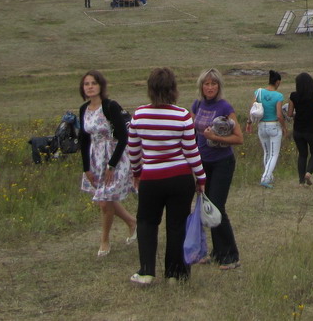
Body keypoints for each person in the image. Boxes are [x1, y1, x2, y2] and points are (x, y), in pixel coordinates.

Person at [128, 67, 206, 285]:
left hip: (151, 178)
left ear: (150, 89)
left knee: (146, 222)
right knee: (177, 225)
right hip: (180, 178)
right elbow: (191, 151)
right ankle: (175, 273)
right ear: (173, 89)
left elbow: (133, 150)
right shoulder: (182, 115)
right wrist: (201, 178)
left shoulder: (139, 115)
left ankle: (146, 271)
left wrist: (137, 173)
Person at [78, 71, 136, 257]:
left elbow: (123, 137)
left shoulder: (110, 106)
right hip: (95, 158)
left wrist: (112, 165)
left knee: (104, 202)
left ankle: (104, 240)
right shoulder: (83, 109)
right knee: (105, 198)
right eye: (86, 84)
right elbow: (84, 140)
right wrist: (86, 168)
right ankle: (132, 222)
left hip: (114, 157)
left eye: (93, 83)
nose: (90, 87)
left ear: (101, 86)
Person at [191, 69, 242, 270]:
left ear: (219, 86)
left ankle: (231, 256)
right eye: (207, 84)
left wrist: (215, 137)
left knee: (217, 207)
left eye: (214, 84)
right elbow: (192, 133)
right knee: (207, 206)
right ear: (201, 86)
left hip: (222, 162)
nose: (210, 87)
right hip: (203, 163)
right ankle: (218, 252)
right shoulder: (197, 105)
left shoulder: (225, 107)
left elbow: (238, 138)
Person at [246, 70, 286, 188]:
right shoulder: (278, 96)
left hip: (261, 125)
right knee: (274, 154)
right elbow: (279, 115)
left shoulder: (259, 92)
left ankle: (269, 175)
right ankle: (265, 178)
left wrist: (249, 122)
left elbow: (253, 109)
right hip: (273, 125)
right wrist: (284, 127)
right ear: (277, 82)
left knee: (267, 152)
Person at [287, 72, 313, 185]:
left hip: (298, 130)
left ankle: (301, 181)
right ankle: (309, 172)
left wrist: (297, 114)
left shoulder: (293, 96)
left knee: (302, 154)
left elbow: (289, 114)